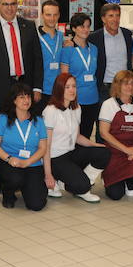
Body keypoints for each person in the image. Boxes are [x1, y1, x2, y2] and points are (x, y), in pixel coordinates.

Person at [42, 73, 110, 202]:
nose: (72, 90)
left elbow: (77, 137)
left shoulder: (76, 108)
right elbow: (46, 145)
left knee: (104, 152)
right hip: (55, 158)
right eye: (67, 87)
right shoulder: (50, 111)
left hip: (71, 153)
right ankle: (72, 184)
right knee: (81, 185)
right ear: (59, 89)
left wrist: (95, 145)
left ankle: (82, 184)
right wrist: (48, 174)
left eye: (74, 86)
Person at [0, 83, 49, 211]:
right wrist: (9, 158)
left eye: (28, 96)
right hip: (8, 161)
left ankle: (26, 186)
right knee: (15, 178)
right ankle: (8, 193)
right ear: (14, 100)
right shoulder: (3, 119)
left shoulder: (38, 120)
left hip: (31, 163)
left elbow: (43, 148)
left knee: (36, 205)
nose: (26, 100)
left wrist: (28, 162)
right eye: (21, 97)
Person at [99, 70, 133, 200]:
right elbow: (104, 133)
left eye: (132, 83)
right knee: (115, 195)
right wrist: (126, 150)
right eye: (126, 83)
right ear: (117, 85)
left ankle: (130, 181)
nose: (130, 87)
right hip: (114, 150)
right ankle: (108, 178)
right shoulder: (109, 104)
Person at [60, 12, 100, 139]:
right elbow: (64, 77)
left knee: (87, 135)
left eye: (88, 26)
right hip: (75, 99)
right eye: (82, 26)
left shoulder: (94, 49)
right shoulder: (68, 49)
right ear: (73, 28)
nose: (86, 30)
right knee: (73, 136)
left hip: (93, 98)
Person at [89, 3, 133, 105]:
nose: (115, 19)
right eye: (111, 16)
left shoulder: (127, 34)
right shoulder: (94, 38)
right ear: (103, 19)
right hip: (104, 88)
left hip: (125, 86)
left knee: (124, 114)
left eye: (117, 15)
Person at [36, 0, 64, 112]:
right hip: (41, 91)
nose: (52, 18)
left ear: (59, 15)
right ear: (42, 15)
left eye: (55, 15)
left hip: (59, 91)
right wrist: (36, 89)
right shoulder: (35, 37)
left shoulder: (62, 37)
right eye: (48, 15)